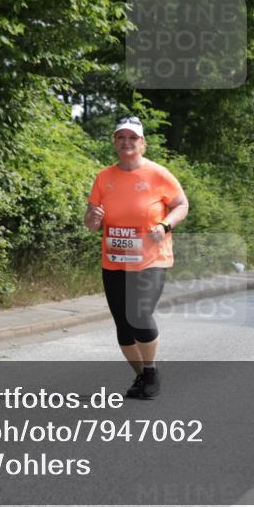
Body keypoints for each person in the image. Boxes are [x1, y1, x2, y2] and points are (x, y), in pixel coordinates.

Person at [84, 116, 188, 400]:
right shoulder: (104, 177)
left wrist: (164, 226)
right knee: (123, 325)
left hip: (151, 259)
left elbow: (181, 205)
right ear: (114, 142)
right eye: (121, 137)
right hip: (115, 259)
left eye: (133, 138)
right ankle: (142, 375)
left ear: (143, 143)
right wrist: (93, 218)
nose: (126, 142)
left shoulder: (158, 174)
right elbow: (91, 221)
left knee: (139, 315)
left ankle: (151, 370)